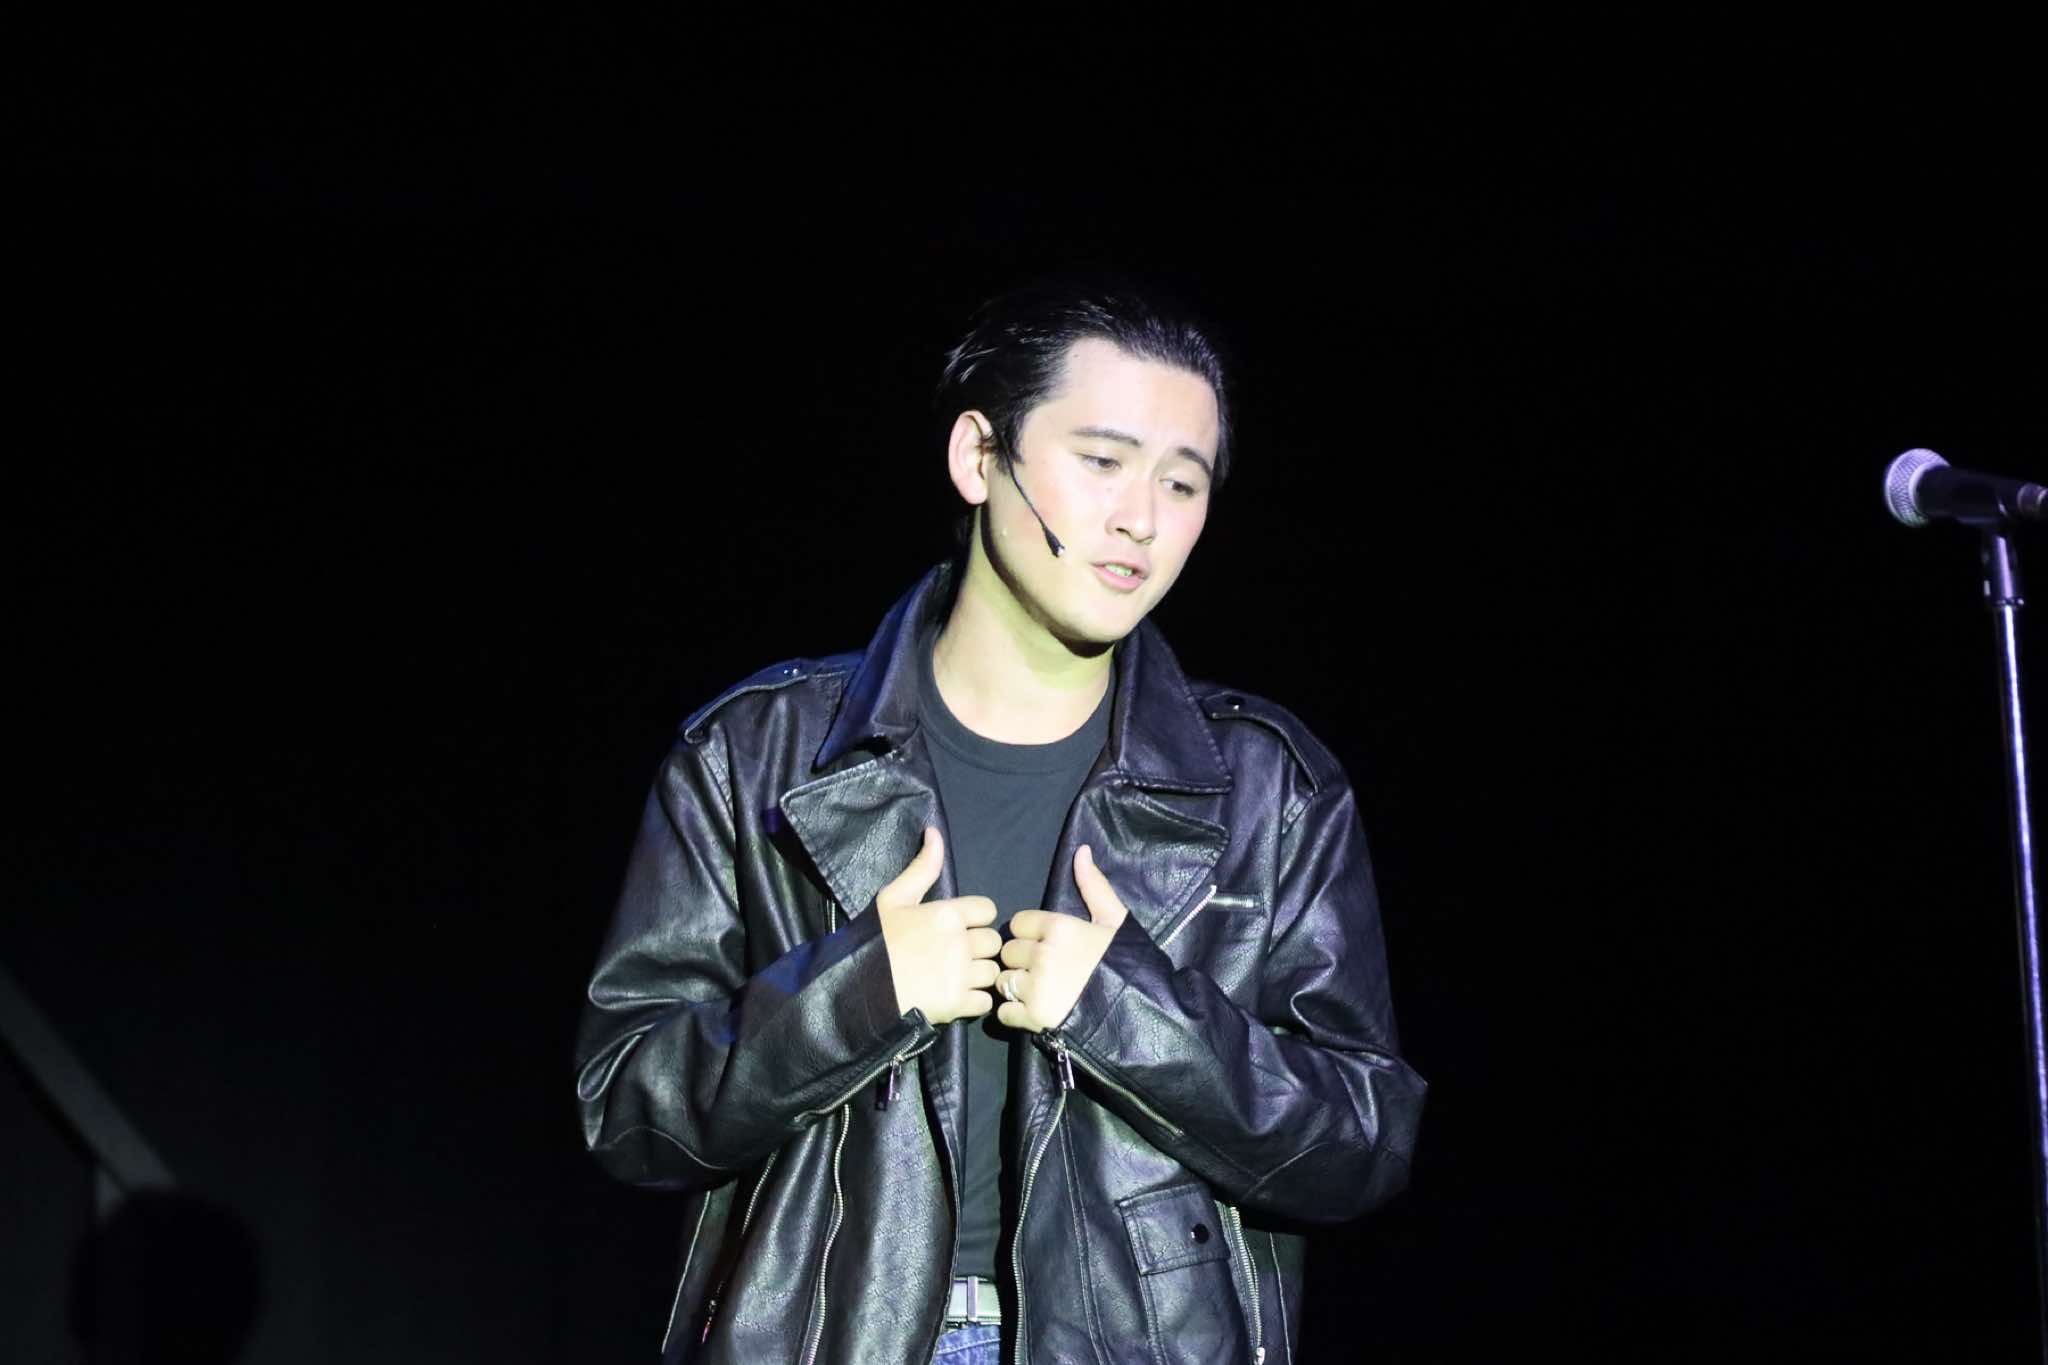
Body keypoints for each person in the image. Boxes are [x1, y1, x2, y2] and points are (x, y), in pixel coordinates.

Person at [575, 278, 1425, 1364]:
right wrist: (860, 992)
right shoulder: (754, 754)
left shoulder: (1270, 787)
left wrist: (1126, 1013)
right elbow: (626, 1112)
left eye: (1183, 482)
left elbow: (1361, 1147)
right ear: (980, 456)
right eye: (1103, 461)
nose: (1141, 519)